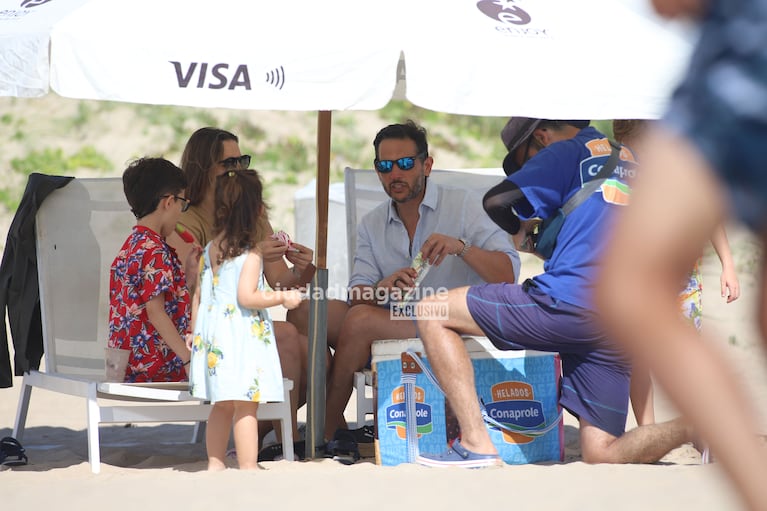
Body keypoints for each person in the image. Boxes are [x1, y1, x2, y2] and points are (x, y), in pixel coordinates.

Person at [414, 118, 694, 469]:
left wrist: (522, 235)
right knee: (602, 452)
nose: (529, 169)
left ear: (542, 137)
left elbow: (497, 200)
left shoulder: (567, 150)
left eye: (526, 162)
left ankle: (476, 443)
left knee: (432, 311)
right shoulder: (635, 161)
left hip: (569, 302)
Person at [596, 1, 767, 509]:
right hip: (732, 51)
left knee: (631, 291)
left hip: (739, 51)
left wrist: (730, 265)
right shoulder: (618, 166)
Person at [313, 120, 520, 445]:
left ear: (427, 165)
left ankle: (323, 431)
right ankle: (332, 421)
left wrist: (460, 247)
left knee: (360, 321)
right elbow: (359, 293)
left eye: (405, 164)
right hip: (395, 319)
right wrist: (384, 287)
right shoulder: (373, 223)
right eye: (385, 166)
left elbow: (507, 273)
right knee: (308, 313)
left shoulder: (463, 206)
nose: (395, 174)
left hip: (452, 323)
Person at [168, 127, 313, 457]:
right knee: (290, 335)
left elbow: (279, 280)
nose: (238, 168)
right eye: (228, 162)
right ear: (203, 167)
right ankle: (285, 439)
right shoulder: (186, 220)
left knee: (312, 348)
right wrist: (255, 254)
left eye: (242, 160)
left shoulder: (249, 214)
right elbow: (197, 285)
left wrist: (303, 269)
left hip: (238, 326)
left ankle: (282, 432)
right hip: (219, 328)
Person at [612, 119, 741, 426]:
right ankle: (649, 428)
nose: (628, 152)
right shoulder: (616, 170)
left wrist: (729, 266)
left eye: (631, 144)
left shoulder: (676, 166)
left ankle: (699, 428)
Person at [187, 168, 303, 471]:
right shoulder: (250, 254)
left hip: (212, 337)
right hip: (240, 337)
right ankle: (249, 465)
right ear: (259, 210)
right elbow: (247, 297)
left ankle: (215, 463)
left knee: (221, 406)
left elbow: (198, 295)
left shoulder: (210, 249)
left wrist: (193, 332)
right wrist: (282, 298)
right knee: (246, 406)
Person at [108, 157, 197, 382]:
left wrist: (189, 276)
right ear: (168, 202)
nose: (181, 213)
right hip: (153, 366)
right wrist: (188, 359)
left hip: (125, 365)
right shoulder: (155, 250)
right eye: (182, 204)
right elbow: (155, 312)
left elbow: (160, 304)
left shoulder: (133, 244)